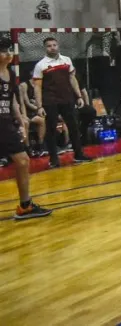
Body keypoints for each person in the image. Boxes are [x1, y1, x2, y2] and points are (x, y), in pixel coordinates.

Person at [0, 41, 52, 220]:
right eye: (3, 52)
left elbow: (12, 99)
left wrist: (21, 120)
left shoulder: (10, 73)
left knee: (22, 161)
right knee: (22, 161)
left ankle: (25, 205)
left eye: (9, 51)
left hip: (6, 124)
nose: (8, 54)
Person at [32, 37, 92, 167]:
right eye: (49, 46)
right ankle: (54, 160)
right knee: (51, 130)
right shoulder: (40, 65)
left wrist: (79, 96)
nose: (52, 47)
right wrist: (39, 106)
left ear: (58, 46)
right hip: (50, 102)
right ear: (45, 48)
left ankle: (78, 155)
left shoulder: (67, 60)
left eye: (54, 45)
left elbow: (72, 79)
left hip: (67, 100)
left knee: (74, 127)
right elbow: (37, 87)